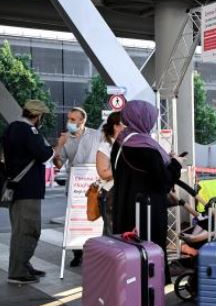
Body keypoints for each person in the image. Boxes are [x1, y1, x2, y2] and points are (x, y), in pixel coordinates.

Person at [111, 100, 183, 283]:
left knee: (129, 254)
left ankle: (130, 296)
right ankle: (152, 301)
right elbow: (164, 182)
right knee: (150, 252)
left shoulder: (120, 143)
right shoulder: (147, 149)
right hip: (147, 211)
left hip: (124, 206)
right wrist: (175, 164)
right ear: (144, 119)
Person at [2, 100, 54, 284]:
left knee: (20, 229)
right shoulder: (29, 131)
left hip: (16, 187)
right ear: (37, 115)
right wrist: (59, 145)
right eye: (42, 116)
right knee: (29, 230)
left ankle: (23, 264)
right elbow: (44, 154)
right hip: (28, 188)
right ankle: (18, 272)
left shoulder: (12, 128)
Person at [53, 107, 101, 267]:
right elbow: (58, 164)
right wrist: (59, 146)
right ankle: (77, 253)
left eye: (73, 119)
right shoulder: (66, 138)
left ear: (82, 121)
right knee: (75, 220)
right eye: (69, 119)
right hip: (75, 186)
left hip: (94, 184)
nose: (69, 122)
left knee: (95, 219)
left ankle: (97, 252)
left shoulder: (96, 135)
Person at [95, 112, 124, 235]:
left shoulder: (125, 144)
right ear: (116, 126)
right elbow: (103, 172)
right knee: (112, 232)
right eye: (125, 124)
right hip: (111, 194)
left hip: (122, 192)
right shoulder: (105, 146)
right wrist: (124, 170)